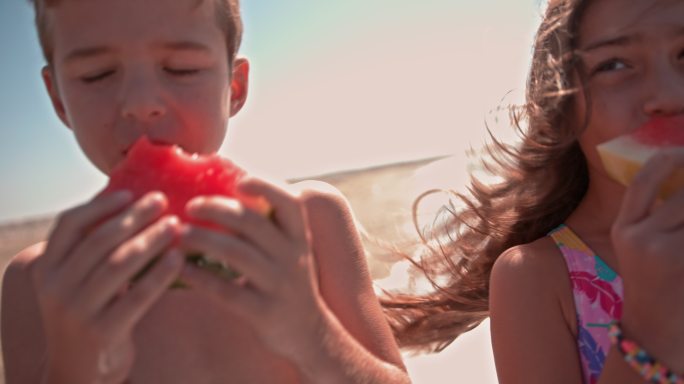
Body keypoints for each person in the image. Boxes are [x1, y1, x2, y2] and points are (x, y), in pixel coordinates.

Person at [1, 0, 410, 383]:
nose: (141, 103)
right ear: (58, 99)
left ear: (234, 88)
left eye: (181, 68)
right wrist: (73, 368)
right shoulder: (36, 284)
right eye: (97, 74)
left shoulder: (311, 225)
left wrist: (314, 335)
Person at [382, 0, 684, 382]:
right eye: (614, 64)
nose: (672, 96)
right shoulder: (536, 277)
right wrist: (650, 323)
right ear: (562, 107)